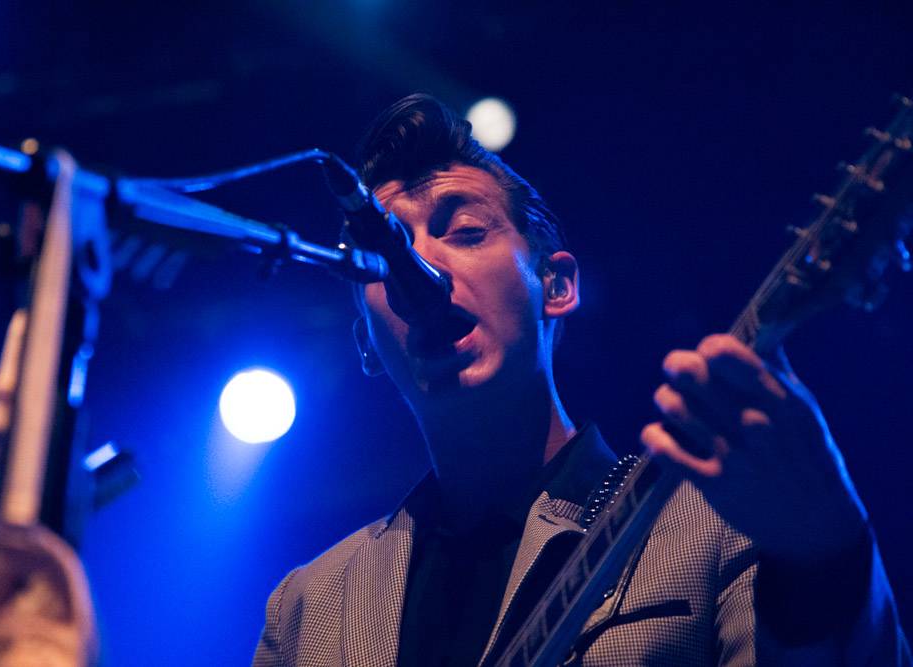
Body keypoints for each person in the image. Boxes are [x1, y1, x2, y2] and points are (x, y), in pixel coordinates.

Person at [252, 94, 909, 666]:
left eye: (467, 231)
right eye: (384, 255)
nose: (418, 268)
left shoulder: (717, 522)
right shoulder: (310, 605)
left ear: (557, 286)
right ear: (366, 345)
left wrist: (828, 554)